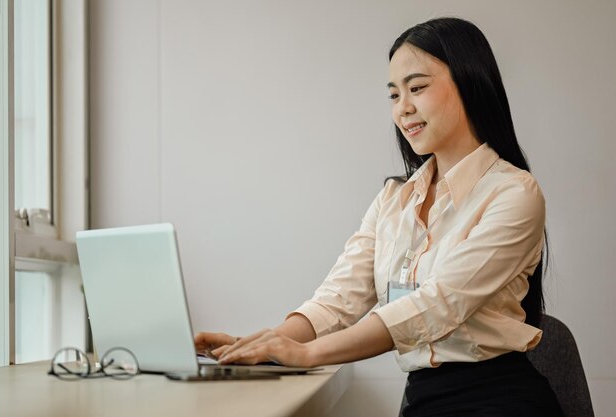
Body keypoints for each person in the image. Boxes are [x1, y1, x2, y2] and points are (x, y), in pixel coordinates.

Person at [195, 17, 563, 416]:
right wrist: (260, 346)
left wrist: (306, 354)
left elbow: (435, 304)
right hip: (423, 401)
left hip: (499, 401)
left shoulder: (514, 194)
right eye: (393, 95)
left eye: (417, 88)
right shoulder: (394, 199)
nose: (403, 108)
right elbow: (338, 300)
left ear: (469, 82)